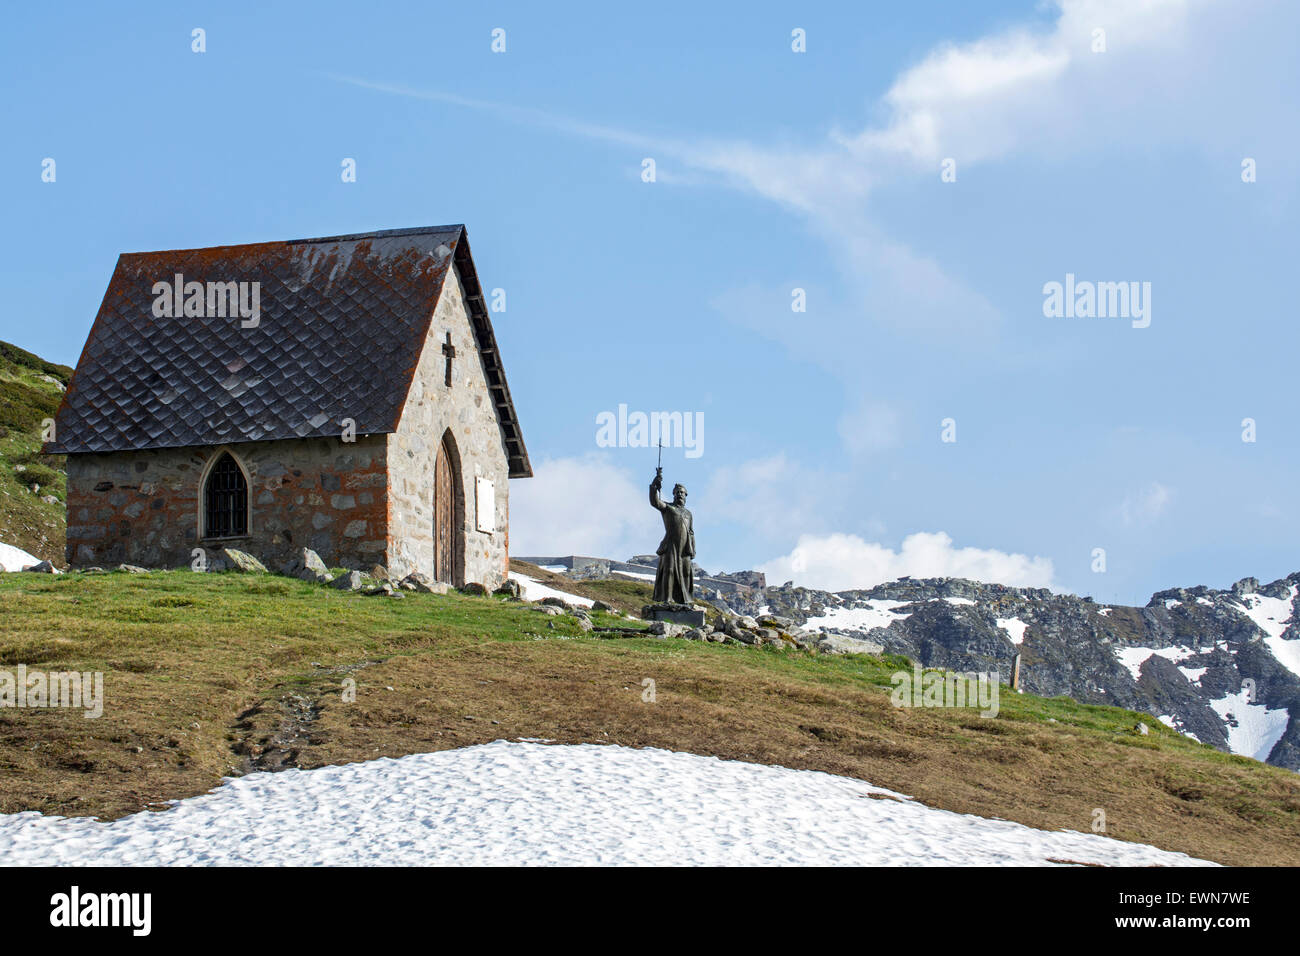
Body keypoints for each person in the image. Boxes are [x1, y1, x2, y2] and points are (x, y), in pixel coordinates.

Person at [649, 469, 695, 604]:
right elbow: (655, 502)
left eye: (682, 492)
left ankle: (684, 600)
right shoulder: (668, 508)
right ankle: (667, 598)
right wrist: (654, 485)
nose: (679, 494)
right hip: (671, 545)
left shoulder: (688, 513)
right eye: (677, 492)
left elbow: (691, 532)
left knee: (686, 573)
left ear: (686, 495)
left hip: (685, 548)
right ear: (674, 495)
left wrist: (693, 548)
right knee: (669, 571)